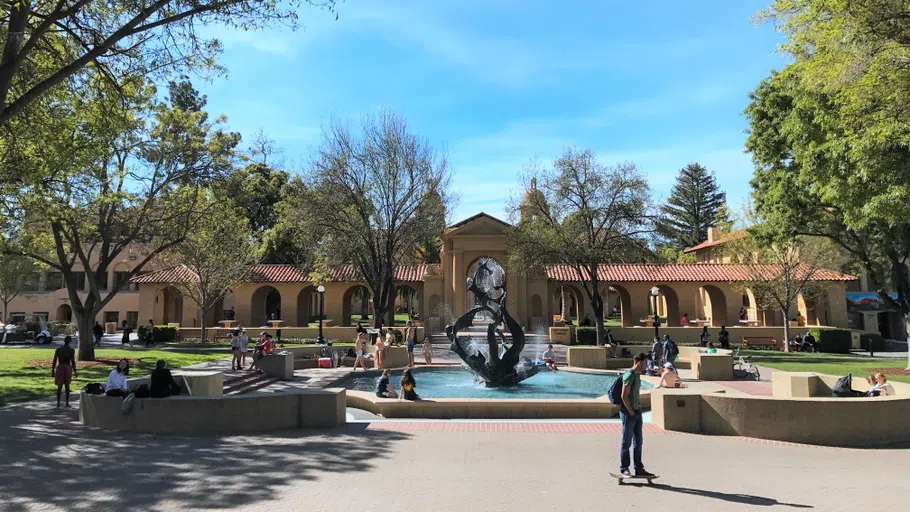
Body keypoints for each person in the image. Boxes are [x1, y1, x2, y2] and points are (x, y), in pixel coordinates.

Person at [619, 353, 654, 478]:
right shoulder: (629, 375)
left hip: (637, 412)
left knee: (638, 442)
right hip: (628, 413)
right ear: (639, 362)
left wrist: (637, 410)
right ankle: (624, 468)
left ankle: (639, 468)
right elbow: (623, 396)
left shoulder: (638, 376)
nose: (646, 365)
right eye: (645, 363)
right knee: (626, 442)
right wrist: (631, 412)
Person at [51, 336, 77, 408]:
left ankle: (58, 404)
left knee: (59, 386)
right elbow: (73, 362)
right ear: (70, 341)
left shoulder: (58, 350)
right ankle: (67, 403)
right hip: (67, 367)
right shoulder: (71, 350)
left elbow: (54, 361)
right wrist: (75, 371)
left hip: (60, 367)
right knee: (67, 386)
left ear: (64, 341)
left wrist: (53, 370)